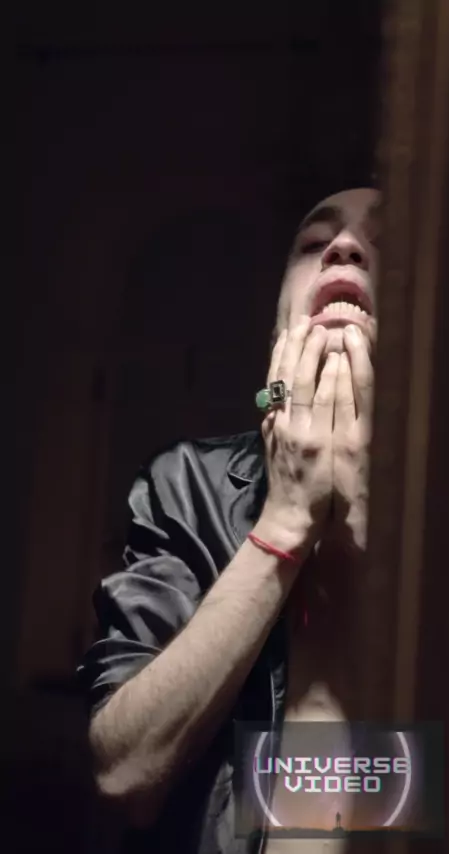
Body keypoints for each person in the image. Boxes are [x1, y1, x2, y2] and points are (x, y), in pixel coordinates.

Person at [77, 186, 381, 854]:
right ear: (277, 331)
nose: (343, 247)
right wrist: (286, 519)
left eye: (386, 244)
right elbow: (123, 773)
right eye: (313, 243)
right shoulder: (185, 483)